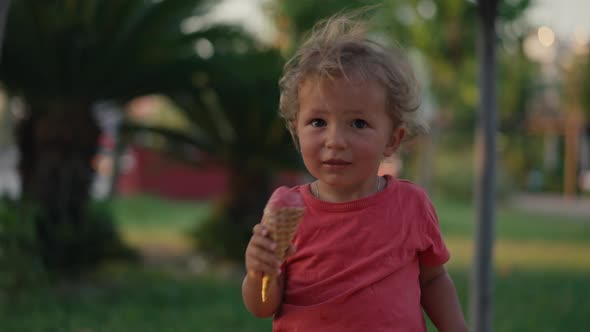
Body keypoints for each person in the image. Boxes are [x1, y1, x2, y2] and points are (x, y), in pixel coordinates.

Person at [242, 12, 468, 332]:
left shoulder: (412, 205)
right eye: (318, 122)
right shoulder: (288, 214)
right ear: (296, 131)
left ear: (392, 139)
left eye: (358, 123)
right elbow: (263, 306)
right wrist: (258, 273)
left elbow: (432, 280)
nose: (335, 141)